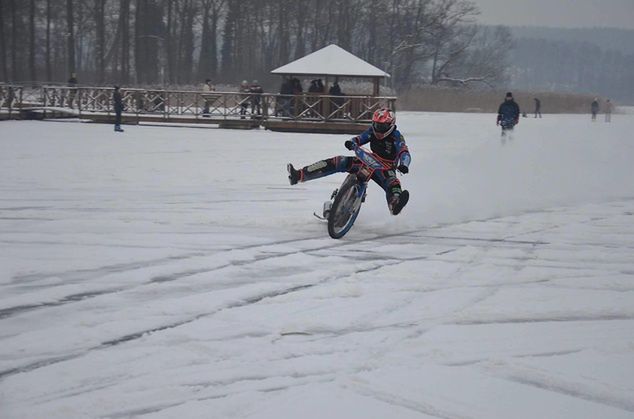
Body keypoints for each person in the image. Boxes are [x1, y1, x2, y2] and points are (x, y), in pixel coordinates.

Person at [287, 108, 411, 216]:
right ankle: (299, 175)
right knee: (338, 161)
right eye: (376, 125)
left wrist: (404, 165)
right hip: (367, 160)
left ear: (390, 125)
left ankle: (395, 204)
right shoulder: (372, 131)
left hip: (385, 168)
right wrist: (352, 142)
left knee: (393, 183)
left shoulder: (396, 136)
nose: (378, 129)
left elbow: (404, 152)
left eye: (382, 127)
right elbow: (361, 138)